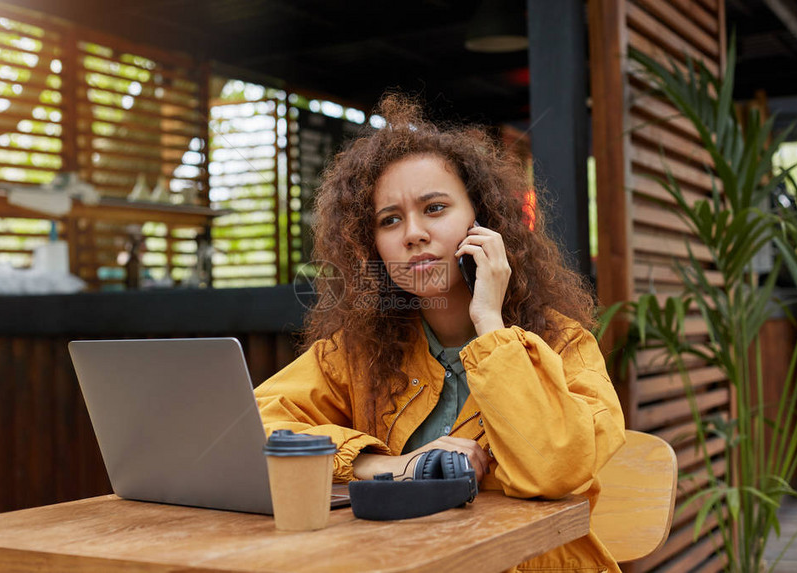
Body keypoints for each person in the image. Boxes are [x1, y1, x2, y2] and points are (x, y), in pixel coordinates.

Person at [255, 93, 626, 572]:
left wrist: (490, 324)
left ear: (483, 220)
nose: (413, 233)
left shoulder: (565, 343)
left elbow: (554, 468)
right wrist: (385, 465)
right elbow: (255, 426)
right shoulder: (356, 352)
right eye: (390, 220)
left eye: (434, 208)